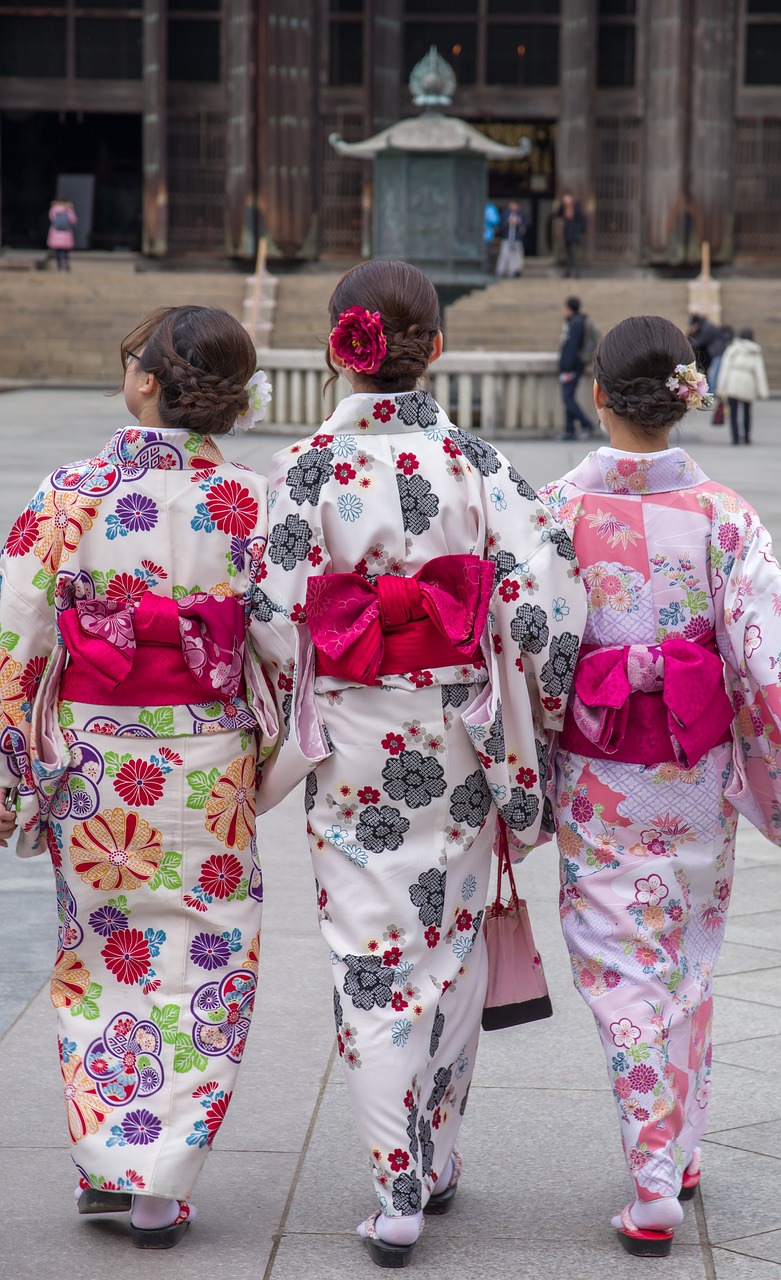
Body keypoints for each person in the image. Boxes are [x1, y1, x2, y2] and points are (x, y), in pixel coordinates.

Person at [254, 258, 586, 1267]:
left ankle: (393, 1188)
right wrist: (540, 693)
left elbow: (270, 622)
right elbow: (548, 601)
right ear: (432, 346)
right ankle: (433, 1161)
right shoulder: (478, 463)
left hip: (354, 738)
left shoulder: (305, 466)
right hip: (457, 735)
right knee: (446, 946)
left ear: (335, 343)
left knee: (369, 955)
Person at [0, 306, 303, 1249]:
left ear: (144, 382)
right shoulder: (253, 504)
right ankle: (162, 1182)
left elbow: (16, 641)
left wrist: (20, 773)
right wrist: (264, 763)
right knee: (207, 959)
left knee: (98, 962)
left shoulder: (70, 494)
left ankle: (110, 1156)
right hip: (208, 762)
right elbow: (293, 652)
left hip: (96, 763)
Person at [538, 315, 781, 1258]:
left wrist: (520, 762)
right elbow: (763, 664)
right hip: (694, 771)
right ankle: (676, 1147)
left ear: (597, 394)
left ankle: (652, 1185)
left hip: (600, 773)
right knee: (687, 957)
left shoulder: (554, 509)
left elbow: (526, 654)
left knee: (618, 971)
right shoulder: (724, 515)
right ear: (687, 396)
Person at [716, 326, 769, 445]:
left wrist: (721, 388)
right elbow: (759, 372)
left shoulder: (733, 349)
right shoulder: (754, 351)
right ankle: (746, 437)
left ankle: (735, 437)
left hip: (733, 382)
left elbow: (725, 369)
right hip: (748, 383)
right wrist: (763, 391)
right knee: (747, 412)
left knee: (733, 413)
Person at [559, 296, 596, 441]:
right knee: (569, 397)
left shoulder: (576, 324)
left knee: (567, 398)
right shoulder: (576, 322)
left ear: (569, 308)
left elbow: (572, 348)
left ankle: (587, 425)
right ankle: (569, 430)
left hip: (572, 368)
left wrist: (567, 369)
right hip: (573, 367)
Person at [687, 314, 727, 387]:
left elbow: (699, 342)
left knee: (714, 375)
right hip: (715, 353)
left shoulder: (706, 328)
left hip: (717, 353)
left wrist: (687, 344)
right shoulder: (704, 327)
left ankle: (712, 394)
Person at [554, 190, 586, 278]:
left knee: (574, 252)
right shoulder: (563, 208)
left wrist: (580, 230)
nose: (566, 200)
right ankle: (567, 272)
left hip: (574, 233)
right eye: (565, 199)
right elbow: (557, 215)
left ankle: (577, 272)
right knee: (568, 253)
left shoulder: (577, 207)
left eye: (567, 199)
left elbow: (583, 220)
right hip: (567, 233)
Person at [495, 201, 527, 278]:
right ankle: (500, 271)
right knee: (504, 255)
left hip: (516, 239)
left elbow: (524, 227)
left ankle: (513, 272)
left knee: (515, 256)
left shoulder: (521, 214)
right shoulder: (505, 214)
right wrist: (508, 221)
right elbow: (500, 225)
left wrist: (518, 222)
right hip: (507, 238)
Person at [47, 199, 77, 271]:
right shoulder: (69, 210)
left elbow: (52, 219)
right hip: (66, 233)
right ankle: (66, 261)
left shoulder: (54, 210)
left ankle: (59, 264)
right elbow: (73, 220)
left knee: (58, 251)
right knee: (65, 251)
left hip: (56, 233)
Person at [483, 200, 500, 273]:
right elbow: (495, 221)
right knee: (487, 255)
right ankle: (487, 271)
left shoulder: (488, 208)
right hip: (487, 236)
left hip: (484, 236)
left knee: (486, 255)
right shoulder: (490, 208)